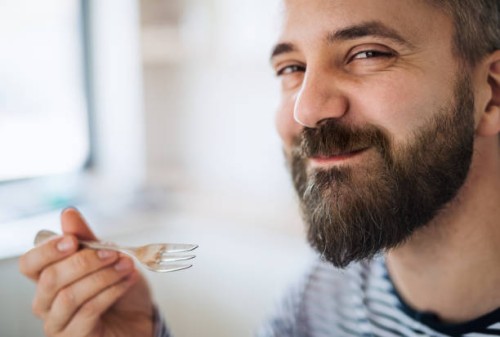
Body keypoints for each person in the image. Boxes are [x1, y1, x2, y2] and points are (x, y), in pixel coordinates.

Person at [19, 0, 500, 336]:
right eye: (291, 68)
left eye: (368, 53)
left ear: (491, 94)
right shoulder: (326, 288)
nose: (306, 110)